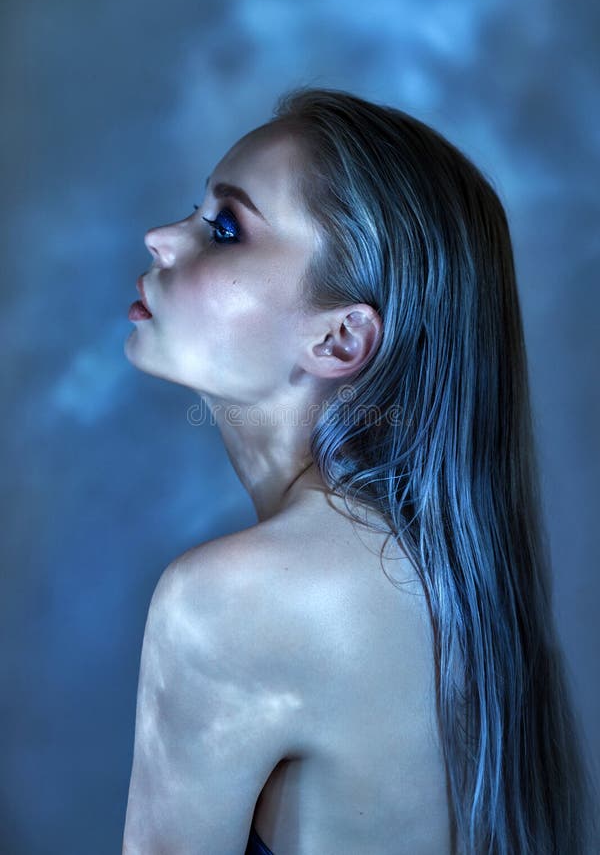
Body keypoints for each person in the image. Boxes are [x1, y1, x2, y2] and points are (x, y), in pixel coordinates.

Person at [122, 88, 596, 855]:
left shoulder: (231, 601)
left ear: (341, 339)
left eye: (225, 228)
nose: (160, 238)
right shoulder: (445, 574)